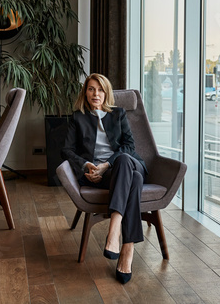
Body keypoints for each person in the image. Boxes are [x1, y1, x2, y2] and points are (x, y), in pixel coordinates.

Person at [61, 73, 147, 284]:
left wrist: (107, 164)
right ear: (85, 92)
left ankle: (114, 229)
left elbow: (129, 145)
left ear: (106, 93)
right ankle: (128, 249)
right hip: (105, 174)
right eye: (91, 89)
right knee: (134, 180)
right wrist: (87, 165)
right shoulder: (78, 117)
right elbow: (66, 150)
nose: (96, 93)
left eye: (100, 89)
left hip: (123, 164)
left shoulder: (118, 114)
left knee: (125, 160)